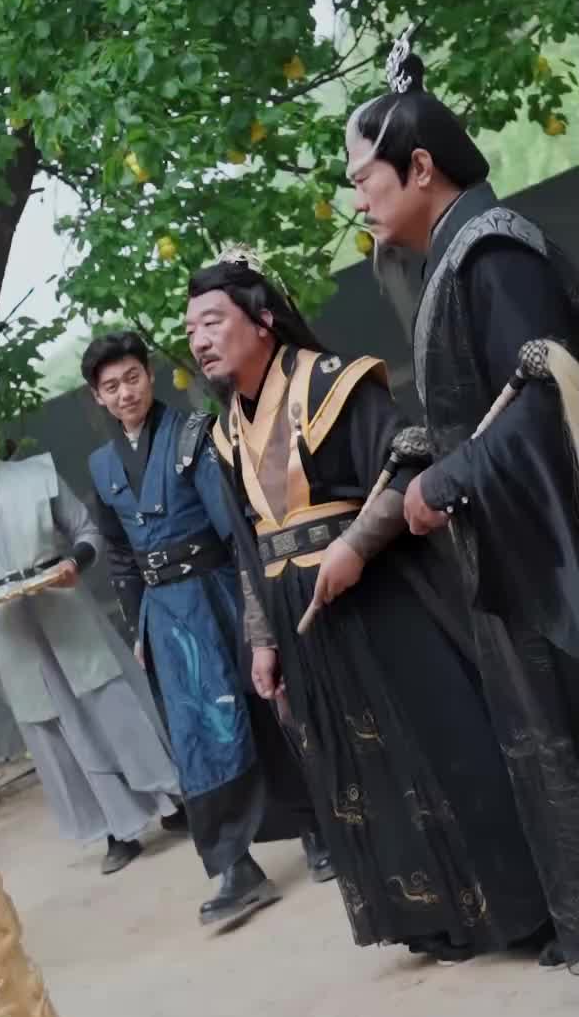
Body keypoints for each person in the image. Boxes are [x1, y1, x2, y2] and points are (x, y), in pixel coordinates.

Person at [186, 256, 550, 963]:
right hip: (301, 617)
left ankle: (522, 910)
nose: (199, 340)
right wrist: (263, 639)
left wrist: (355, 544)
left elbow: (410, 459)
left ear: (262, 321)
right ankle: (434, 920)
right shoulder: (225, 431)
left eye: (212, 321)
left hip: (379, 597)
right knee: (362, 770)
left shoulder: (332, 382)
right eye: (191, 329)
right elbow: (248, 542)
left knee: (442, 746)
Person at [347, 39, 579, 964]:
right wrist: (426, 458)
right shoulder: (448, 258)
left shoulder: (495, 249)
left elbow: (548, 389)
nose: (357, 199)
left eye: (363, 178)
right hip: (506, 542)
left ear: (420, 168)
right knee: (540, 736)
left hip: (547, 542)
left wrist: (452, 478)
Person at [82, 330, 331, 930]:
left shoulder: (194, 435)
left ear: (149, 376)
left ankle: (320, 830)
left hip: (218, 595)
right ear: (98, 397)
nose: (125, 393)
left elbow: (235, 531)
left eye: (132, 378)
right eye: (111, 387)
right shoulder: (102, 465)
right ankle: (234, 866)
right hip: (164, 616)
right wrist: (137, 626)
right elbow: (120, 556)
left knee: (262, 708)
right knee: (196, 738)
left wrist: (255, 610)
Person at [0, 396, 184, 875]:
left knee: (112, 702)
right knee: (60, 725)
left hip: (62, 603)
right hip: (9, 628)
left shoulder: (36, 475)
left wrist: (73, 564)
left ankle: (171, 799)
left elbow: (87, 532)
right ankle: (115, 828)